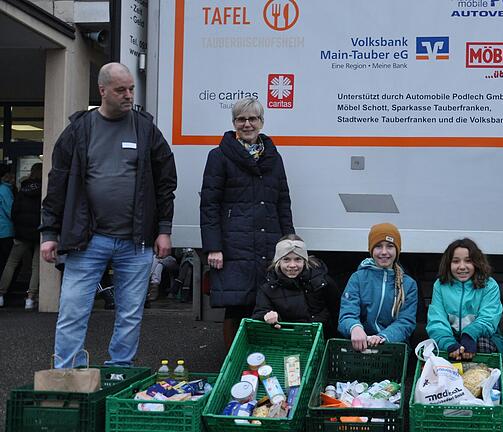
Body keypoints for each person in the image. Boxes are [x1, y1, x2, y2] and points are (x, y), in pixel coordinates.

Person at [40, 62, 177, 368]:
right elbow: (58, 182)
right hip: (88, 241)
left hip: (136, 241)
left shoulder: (145, 129)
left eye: (131, 88)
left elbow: (166, 180)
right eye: (121, 90)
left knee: (130, 313)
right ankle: (67, 376)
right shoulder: (79, 130)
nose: (128, 95)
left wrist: (164, 228)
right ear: (102, 91)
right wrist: (49, 233)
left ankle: (118, 372)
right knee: (73, 310)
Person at [200, 97, 294, 350]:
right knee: (236, 305)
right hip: (234, 244)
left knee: (267, 304)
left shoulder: (274, 157)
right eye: (241, 119)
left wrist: (290, 242)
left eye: (252, 118)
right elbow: (209, 204)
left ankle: (261, 359)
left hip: (268, 242)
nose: (247, 124)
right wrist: (213, 247)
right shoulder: (219, 156)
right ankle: (233, 360)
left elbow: (283, 201)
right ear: (234, 123)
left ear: (261, 122)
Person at [338, 223, 418, 351]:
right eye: (378, 246)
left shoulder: (408, 285)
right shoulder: (357, 278)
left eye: (390, 246)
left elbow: (406, 322)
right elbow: (347, 314)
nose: (384, 252)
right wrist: (355, 328)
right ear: (371, 250)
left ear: (397, 250)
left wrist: (383, 337)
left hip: (392, 347)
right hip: (359, 347)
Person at [426, 238, 503, 360]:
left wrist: (469, 335)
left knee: (484, 346)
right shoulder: (440, 285)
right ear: (448, 264)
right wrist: (448, 343)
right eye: (456, 261)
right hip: (451, 336)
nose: (462, 267)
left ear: (477, 263)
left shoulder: (489, 285)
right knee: (432, 350)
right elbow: (437, 320)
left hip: (478, 336)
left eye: (468, 261)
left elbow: (488, 318)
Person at [251, 234, 336, 337]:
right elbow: (259, 313)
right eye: (286, 259)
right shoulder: (268, 288)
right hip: (289, 342)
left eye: (298, 259)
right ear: (278, 261)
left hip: (322, 339)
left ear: (305, 261)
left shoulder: (323, 282)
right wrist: (267, 316)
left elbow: (337, 312)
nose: (292, 265)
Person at [0, 163, 42, 310]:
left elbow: (14, 211)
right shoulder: (45, 189)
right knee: (37, 265)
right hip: (39, 232)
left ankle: (0, 294)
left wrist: (18, 227)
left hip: (22, 234)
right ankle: (30, 299)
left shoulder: (22, 190)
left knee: (11, 262)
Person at [0, 168, 15, 301]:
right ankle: (5, 292)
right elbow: (11, 210)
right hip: (5, 231)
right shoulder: (5, 190)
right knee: (8, 262)